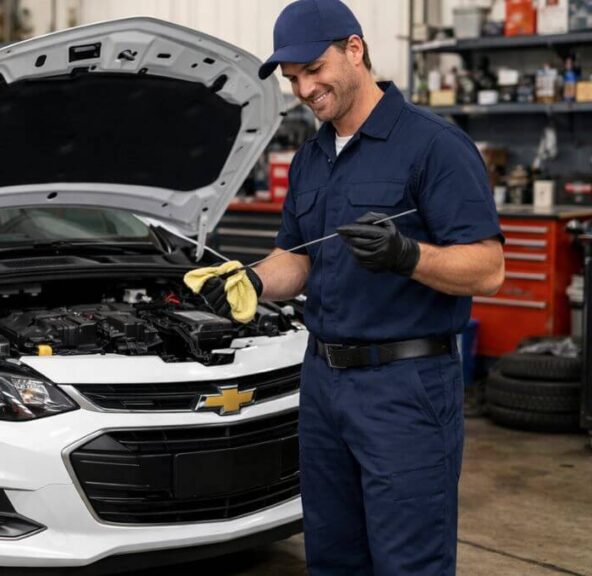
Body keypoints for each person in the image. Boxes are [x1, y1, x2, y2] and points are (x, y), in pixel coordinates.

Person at [202, 1, 505, 574]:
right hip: (322, 384)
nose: (305, 88)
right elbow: (297, 259)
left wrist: (406, 254)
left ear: (354, 49)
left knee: (408, 562)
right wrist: (250, 281)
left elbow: (488, 268)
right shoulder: (311, 159)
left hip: (405, 388)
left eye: (314, 69)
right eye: (293, 79)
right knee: (333, 556)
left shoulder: (433, 145)